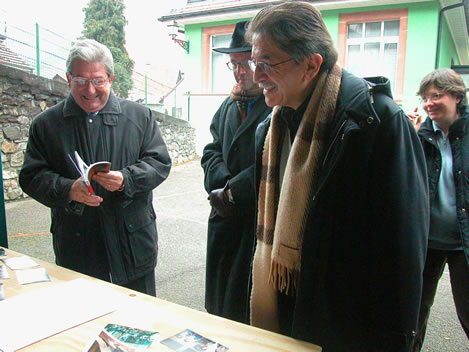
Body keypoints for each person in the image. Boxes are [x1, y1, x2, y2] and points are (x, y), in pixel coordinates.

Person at [244, 2, 430, 351]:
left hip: (348, 324)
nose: (256, 75)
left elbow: (403, 250)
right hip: (284, 309)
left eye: (267, 62)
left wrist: (395, 339)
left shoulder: (376, 123)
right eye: (256, 61)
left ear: (311, 64)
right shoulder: (269, 129)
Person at [19, 39, 171, 296]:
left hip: (133, 245)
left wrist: (126, 179)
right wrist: (68, 189)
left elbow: (159, 162)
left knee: (140, 325)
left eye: (98, 80)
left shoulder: (138, 116)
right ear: (69, 79)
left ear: (110, 78)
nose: (90, 90)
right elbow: (31, 176)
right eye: (80, 80)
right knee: (84, 325)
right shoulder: (46, 124)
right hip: (78, 248)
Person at [201, 21, 272, 323]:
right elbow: (211, 149)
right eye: (234, 64)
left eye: (247, 63)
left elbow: (277, 163)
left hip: (255, 219)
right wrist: (221, 183)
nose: (240, 71)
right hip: (224, 214)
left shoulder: (276, 107)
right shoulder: (228, 106)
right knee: (220, 306)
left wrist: (235, 190)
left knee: (247, 307)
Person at [407, 68, 469, 351]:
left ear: (457, 97)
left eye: (436, 96)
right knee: (413, 312)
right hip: (427, 240)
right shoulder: (420, 136)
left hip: (463, 243)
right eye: (425, 97)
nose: (429, 103)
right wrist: (410, 135)